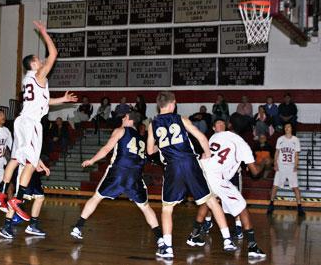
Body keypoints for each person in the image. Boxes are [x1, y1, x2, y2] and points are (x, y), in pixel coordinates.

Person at [0, 21, 77, 221]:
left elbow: (44, 102)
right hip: (31, 123)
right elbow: (54, 54)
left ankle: (3, 193)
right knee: (30, 162)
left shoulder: (28, 80)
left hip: (21, 121)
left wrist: (62, 100)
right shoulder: (39, 75)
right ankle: (18, 199)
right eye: (39, 60)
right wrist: (44, 33)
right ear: (33, 64)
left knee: (15, 159)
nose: (42, 62)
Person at [147, 91, 236, 260]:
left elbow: (150, 150)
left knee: (167, 209)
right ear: (173, 104)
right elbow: (202, 138)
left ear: (159, 105)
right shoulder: (182, 119)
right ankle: (227, 240)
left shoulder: (153, 124)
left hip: (172, 167)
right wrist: (208, 154)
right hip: (189, 163)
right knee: (211, 201)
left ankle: (168, 248)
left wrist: (163, 147)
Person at [70, 112, 164, 256]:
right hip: (135, 175)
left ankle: (78, 227)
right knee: (145, 207)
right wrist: (162, 144)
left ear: (129, 119)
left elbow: (107, 149)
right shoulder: (142, 139)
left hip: (119, 172)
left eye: (124, 117)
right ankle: (160, 239)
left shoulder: (120, 130)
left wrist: (92, 160)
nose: (121, 118)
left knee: (96, 197)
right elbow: (151, 152)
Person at [200, 117, 266, 258]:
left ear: (229, 126)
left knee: (210, 201)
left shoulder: (214, 137)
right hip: (217, 177)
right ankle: (251, 245)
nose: (221, 125)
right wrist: (264, 163)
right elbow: (255, 172)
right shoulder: (242, 144)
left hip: (205, 173)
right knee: (240, 206)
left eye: (222, 123)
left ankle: (196, 232)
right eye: (218, 123)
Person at [0, 159, 50, 239]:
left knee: (40, 197)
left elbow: (35, 152)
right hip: (25, 169)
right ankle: (6, 226)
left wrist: (41, 164)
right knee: (17, 199)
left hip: (33, 169)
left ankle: (33, 225)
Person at [267, 123, 305, 216]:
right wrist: (275, 163)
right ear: (284, 129)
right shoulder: (280, 139)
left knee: (295, 187)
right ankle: (271, 205)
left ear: (292, 128)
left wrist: (296, 165)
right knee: (275, 186)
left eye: (289, 127)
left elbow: (296, 154)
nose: (287, 128)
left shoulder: (296, 140)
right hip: (281, 166)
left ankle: (299, 207)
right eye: (285, 127)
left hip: (291, 167)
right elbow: (277, 152)